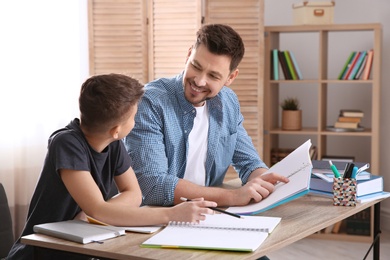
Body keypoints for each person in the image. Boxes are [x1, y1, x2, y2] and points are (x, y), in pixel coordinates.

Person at [7, 74, 217, 260]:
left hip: (84, 248)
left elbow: (134, 195)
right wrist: (171, 214)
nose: (135, 122)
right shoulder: (66, 144)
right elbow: (99, 211)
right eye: (133, 118)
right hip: (41, 253)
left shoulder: (113, 143)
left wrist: (94, 212)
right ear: (116, 130)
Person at [125, 24, 289, 207]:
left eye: (213, 75)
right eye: (196, 66)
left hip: (205, 215)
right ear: (188, 55)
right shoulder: (151, 102)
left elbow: (248, 161)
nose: (199, 81)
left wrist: (264, 180)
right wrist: (232, 197)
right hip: (153, 219)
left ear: (230, 78)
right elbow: (151, 186)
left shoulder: (228, 102)